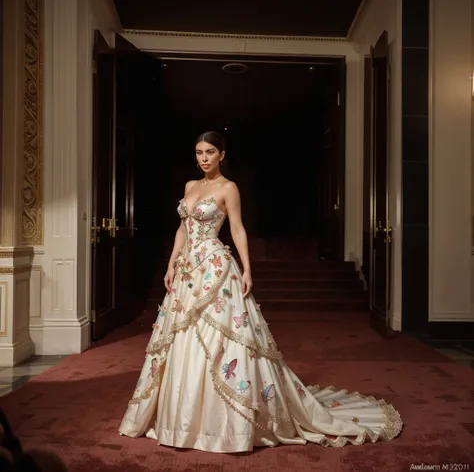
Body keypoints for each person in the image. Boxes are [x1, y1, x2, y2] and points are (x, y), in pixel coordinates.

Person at [119, 131, 403, 453]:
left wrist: (248, 268)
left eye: (210, 151)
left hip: (215, 268)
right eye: (199, 152)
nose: (204, 158)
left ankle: (224, 426)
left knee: (223, 339)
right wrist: (171, 265)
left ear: (222, 154)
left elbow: (237, 228)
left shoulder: (228, 188)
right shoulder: (190, 187)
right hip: (187, 273)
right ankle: (182, 420)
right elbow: (182, 229)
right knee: (182, 338)